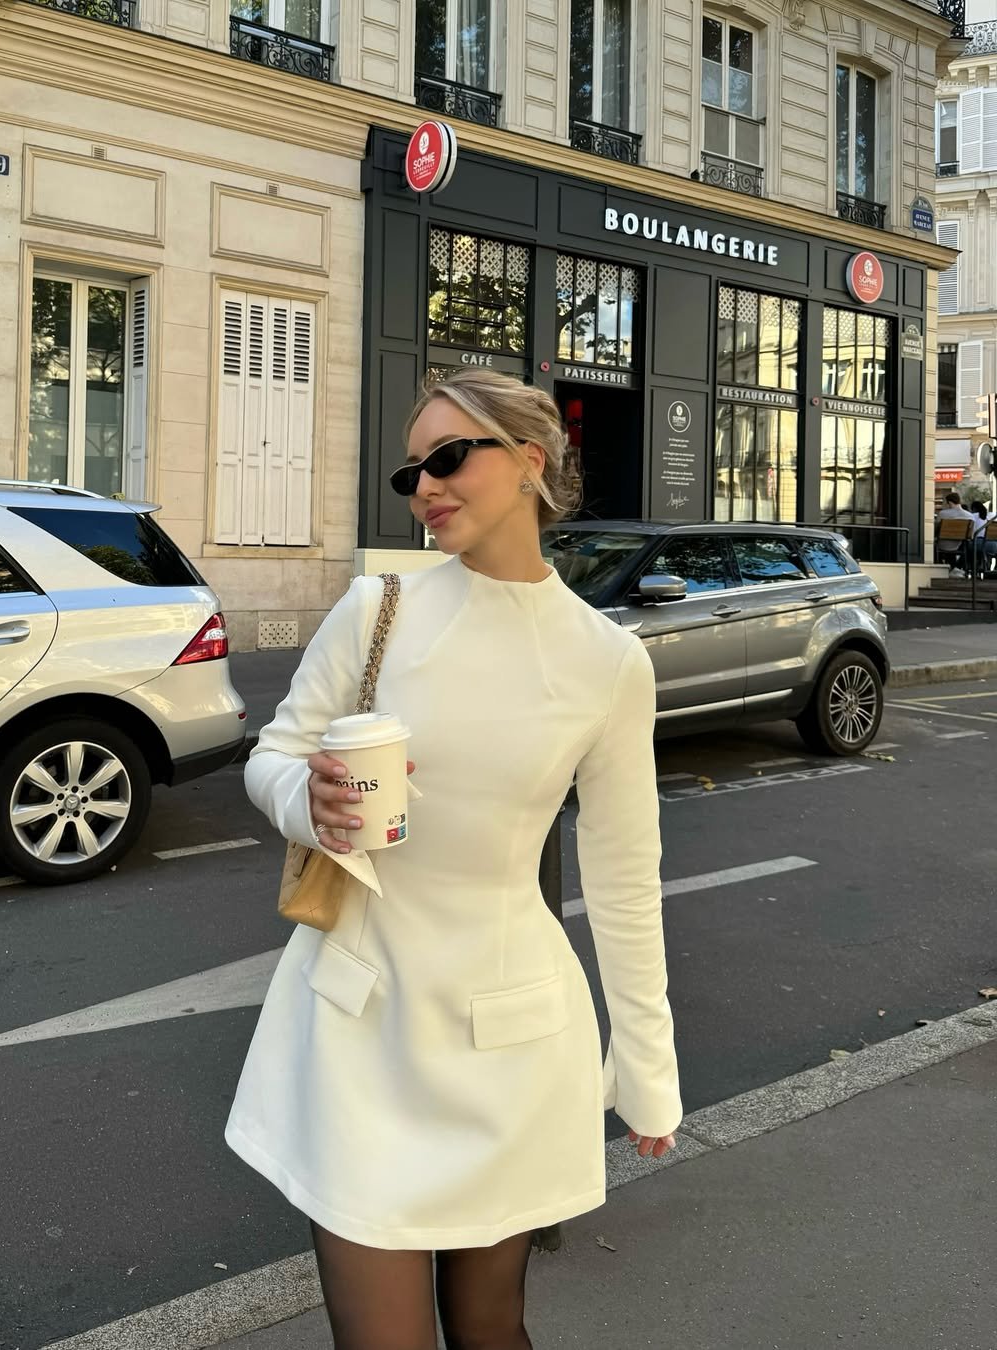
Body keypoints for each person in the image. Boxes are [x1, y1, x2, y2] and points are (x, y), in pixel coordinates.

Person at [226, 368, 682, 1349]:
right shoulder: (377, 608)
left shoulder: (608, 662)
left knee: (489, 1329)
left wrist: (647, 1069)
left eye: (446, 458)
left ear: (527, 461)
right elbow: (273, 753)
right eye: (411, 472)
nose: (424, 486)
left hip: (509, 1043)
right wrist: (307, 802)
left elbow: (623, 878)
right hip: (358, 1023)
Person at [935, 491, 974, 577]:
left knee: (932, 546)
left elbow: (936, 530)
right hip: (959, 544)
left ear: (949, 502)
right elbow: (970, 535)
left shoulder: (942, 514)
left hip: (942, 544)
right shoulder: (970, 516)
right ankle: (955, 568)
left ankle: (941, 569)